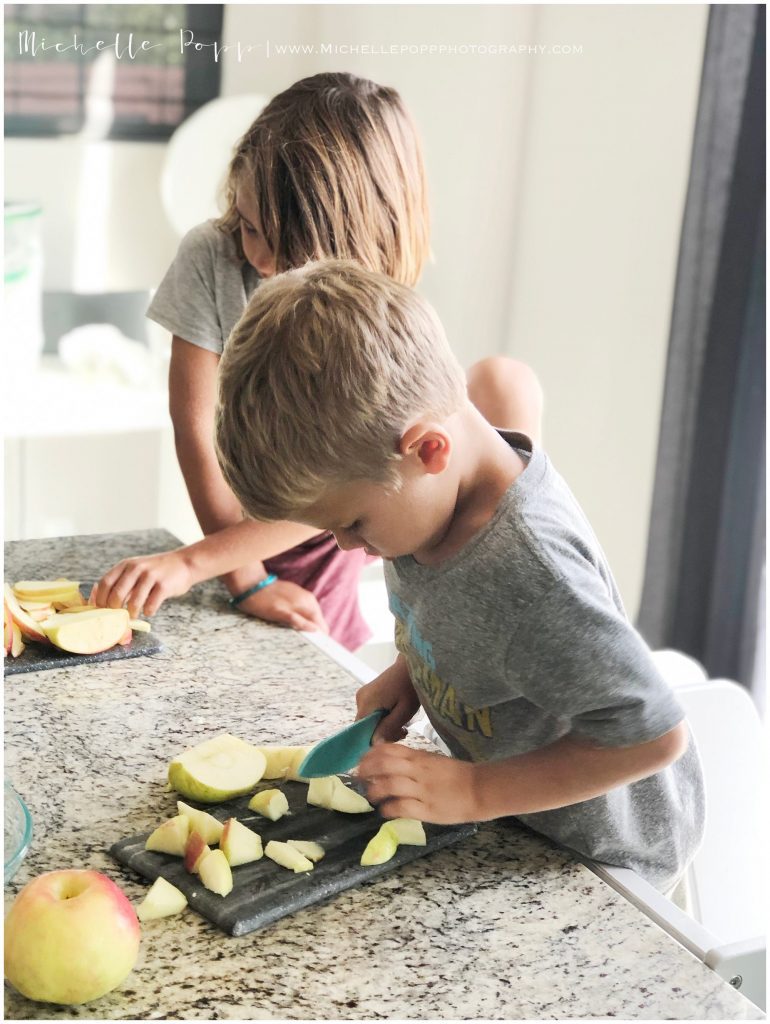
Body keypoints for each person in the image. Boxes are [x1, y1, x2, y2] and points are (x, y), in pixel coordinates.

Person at [213, 258, 705, 894]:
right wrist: (412, 673)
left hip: (603, 861)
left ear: (427, 451)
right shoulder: (427, 509)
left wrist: (476, 790)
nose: (347, 547)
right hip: (519, 825)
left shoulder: (532, 574)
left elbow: (654, 736)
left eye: (355, 525)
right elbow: (459, 623)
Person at [92, 72, 543, 651]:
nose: (256, 258)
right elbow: (195, 427)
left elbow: (353, 490)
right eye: (250, 225)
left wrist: (193, 563)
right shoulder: (211, 254)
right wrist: (242, 578)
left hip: (345, 510)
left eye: (281, 246)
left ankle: (471, 624)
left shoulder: (372, 311)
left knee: (507, 386)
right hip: (248, 517)